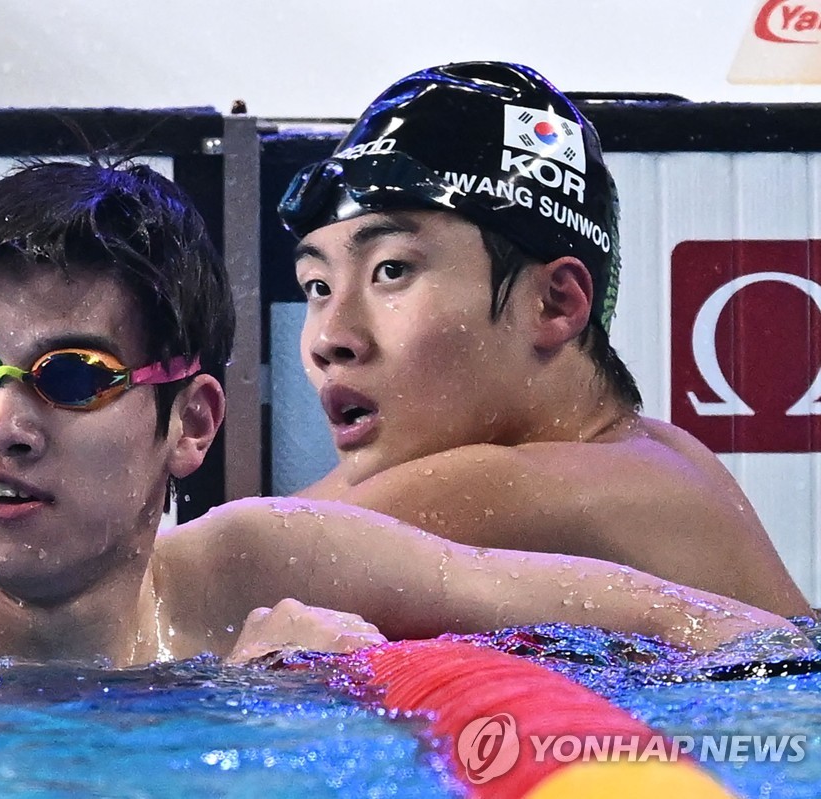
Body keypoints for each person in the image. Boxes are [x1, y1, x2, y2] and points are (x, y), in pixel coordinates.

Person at [0, 160, 797, 670]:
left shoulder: (257, 564)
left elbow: (735, 639)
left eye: (72, 377)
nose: (1, 422)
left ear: (194, 423)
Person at [277, 61, 810, 618]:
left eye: (391, 271)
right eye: (318, 286)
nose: (329, 338)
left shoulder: (552, 488)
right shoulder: (652, 452)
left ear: (555, 303)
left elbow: (212, 573)